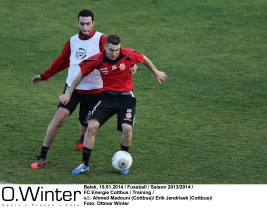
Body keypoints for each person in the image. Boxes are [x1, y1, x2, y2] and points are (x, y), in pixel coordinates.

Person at [59, 33, 167, 175]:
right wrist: (68, 93)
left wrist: (156, 72)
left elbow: (143, 58)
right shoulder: (97, 60)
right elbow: (80, 74)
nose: (115, 53)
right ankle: (84, 165)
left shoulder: (128, 54)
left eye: (117, 50)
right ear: (105, 47)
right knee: (91, 126)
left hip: (126, 98)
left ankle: (124, 161)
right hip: (107, 98)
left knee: (127, 128)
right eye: (111, 50)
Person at [30, 9, 107, 169]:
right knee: (59, 118)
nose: (85, 27)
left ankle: (81, 137)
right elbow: (62, 61)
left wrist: (130, 66)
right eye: (82, 23)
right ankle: (42, 156)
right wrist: (44, 75)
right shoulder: (72, 41)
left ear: (93, 23)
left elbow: (116, 55)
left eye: (88, 24)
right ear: (77, 23)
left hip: (94, 91)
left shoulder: (101, 40)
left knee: (85, 124)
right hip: (72, 88)